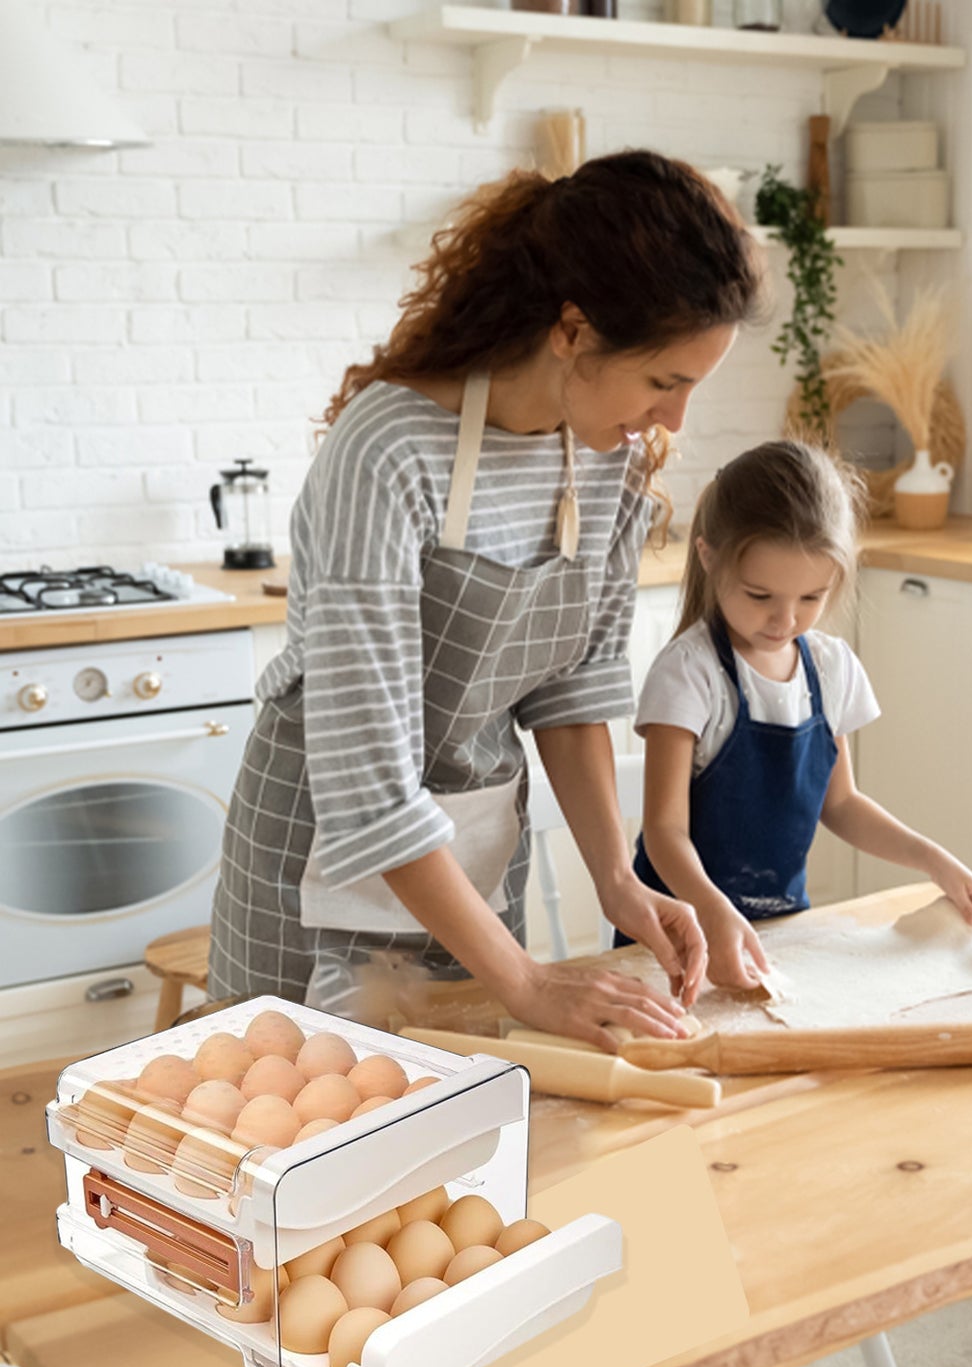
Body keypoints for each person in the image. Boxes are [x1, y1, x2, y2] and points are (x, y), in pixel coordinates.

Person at [208, 151, 765, 1048]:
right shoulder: (388, 455)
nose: (676, 421)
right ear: (573, 330)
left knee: (459, 1149)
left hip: (473, 872)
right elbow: (367, 785)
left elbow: (572, 692)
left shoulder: (608, 453)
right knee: (296, 1141)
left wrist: (618, 881)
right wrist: (530, 981)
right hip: (318, 869)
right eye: (666, 381)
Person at [627, 439, 972, 989]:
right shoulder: (690, 674)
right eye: (760, 596)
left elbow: (841, 804)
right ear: (708, 557)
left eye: (810, 598)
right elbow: (664, 830)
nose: (784, 619)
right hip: (677, 936)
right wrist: (709, 907)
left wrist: (931, 859)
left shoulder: (829, 667)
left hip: (783, 928)